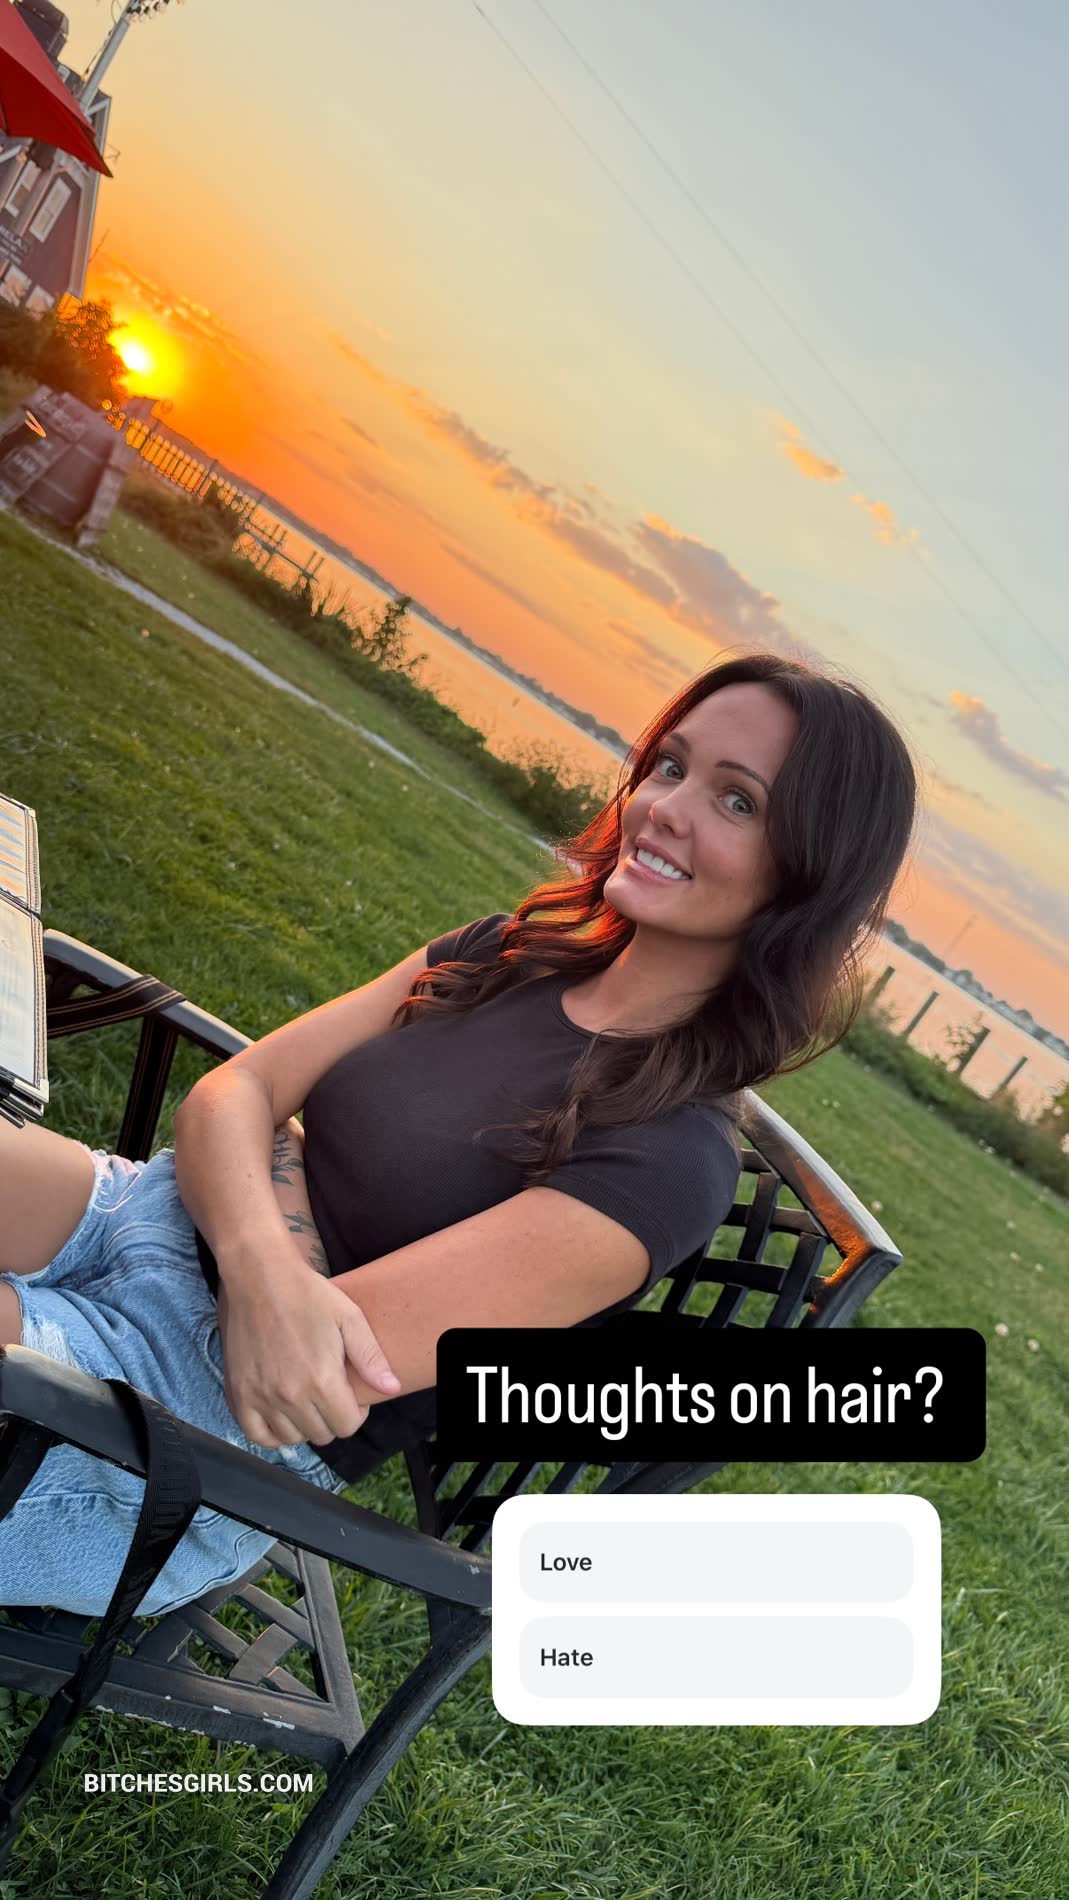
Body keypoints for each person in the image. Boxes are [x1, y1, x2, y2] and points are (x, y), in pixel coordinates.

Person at [0, 650, 917, 1617]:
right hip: (140, 1216)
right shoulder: (503, 953)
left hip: (188, 1425)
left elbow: (311, 1364)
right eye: (670, 766)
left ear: (806, 879)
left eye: (736, 802)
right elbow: (236, 1090)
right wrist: (266, 1254)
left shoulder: (668, 1161)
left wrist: (267, 1153)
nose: (664, 808)